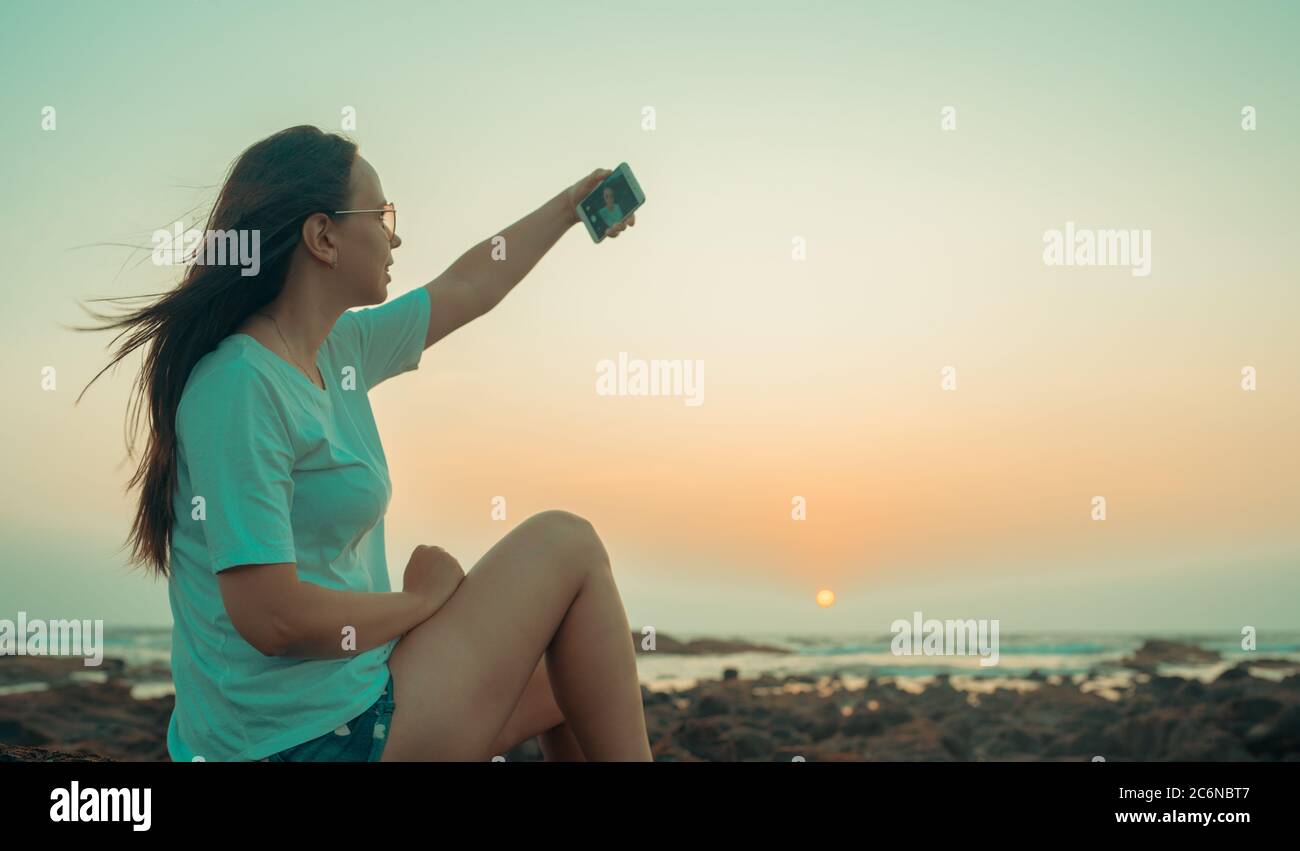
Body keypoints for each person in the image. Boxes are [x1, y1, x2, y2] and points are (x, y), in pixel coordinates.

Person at [75, 125, 645, 761]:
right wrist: (420, 602)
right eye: (381, 214)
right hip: (297, 743)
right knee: (566, 540)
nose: (394, 233)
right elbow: (273, 619)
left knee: (565, 677)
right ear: (323, 237)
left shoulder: (336, 350)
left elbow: (469, 286)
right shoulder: (239, 385)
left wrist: (570, 207)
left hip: (348, 696)